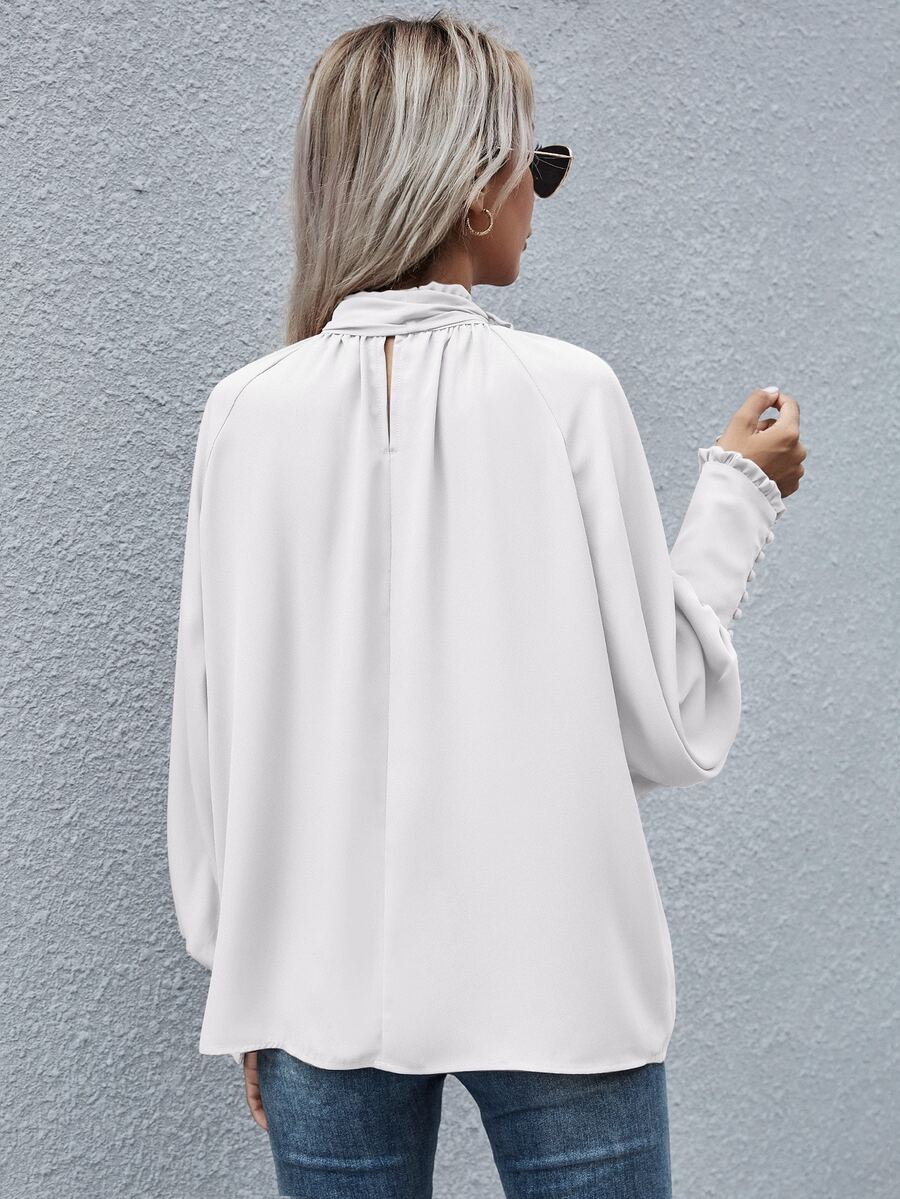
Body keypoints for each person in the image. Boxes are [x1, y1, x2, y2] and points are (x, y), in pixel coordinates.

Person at [165, 12, 806, 1198]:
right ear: (472, 188)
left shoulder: (244, 412)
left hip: (306, 976)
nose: (536, 198)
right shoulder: (564, 393)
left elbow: (213, 726)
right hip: (556, 970)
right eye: (535, 165)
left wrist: (243, 970)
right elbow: (664, 711)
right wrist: (741, 495)